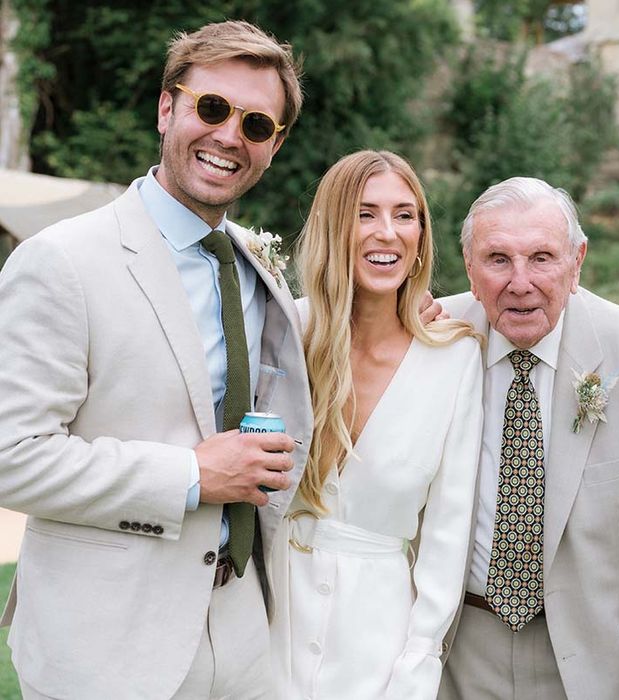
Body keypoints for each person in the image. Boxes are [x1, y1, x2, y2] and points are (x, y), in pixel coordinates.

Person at [0, 20, 312, 699]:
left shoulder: (260, 260)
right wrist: (192, 475)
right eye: (211, 108)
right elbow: (10, 454)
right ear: (166, 107)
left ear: (274, 145)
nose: (230, 136)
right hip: (107, 648)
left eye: (256, 125)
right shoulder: (63, 262)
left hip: (247, 637)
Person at [437, 177, 619, 699]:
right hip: (457, 655)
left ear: (577, 263)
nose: (520, 281)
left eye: (543, 258)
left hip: (599, 662)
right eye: (498, 259)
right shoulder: (430, 340)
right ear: (468, 266)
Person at [268, 150, 484, 699]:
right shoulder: (283, 331)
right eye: (365, 213)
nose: (386, 232)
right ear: (333, 226)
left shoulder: (453, 361)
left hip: (379, 652)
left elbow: (446, 537)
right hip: (266, 628)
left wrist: (415, 669)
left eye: (404, 215)